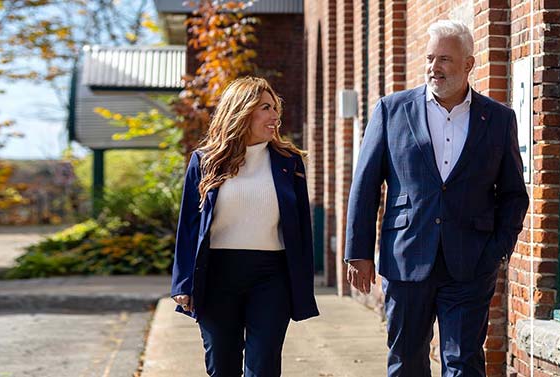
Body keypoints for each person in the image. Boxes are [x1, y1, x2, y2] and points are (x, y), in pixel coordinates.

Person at [344, 19, 530, 377]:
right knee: (407, 361)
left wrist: (498, 250)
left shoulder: (498, 119)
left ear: (469, 64)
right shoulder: (391, 110)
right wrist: (359, 252)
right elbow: (366, 185)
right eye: (430, 58)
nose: (434, 67)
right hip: (407, 256)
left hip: (472, 262)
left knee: (464, 362)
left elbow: (512, 194)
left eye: (445, 59)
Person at [170, 77, 319, 377]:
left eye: (275, 108)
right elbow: (189, 227)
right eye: (266, 107)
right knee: (222, 367)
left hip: (271, 277)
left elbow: (302, 228)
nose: (275, 116)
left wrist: (302, 283)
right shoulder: (205, 161)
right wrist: (182, 283)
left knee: (263, 368)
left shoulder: (289, 162)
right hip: (216, 276)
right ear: (242, 111)